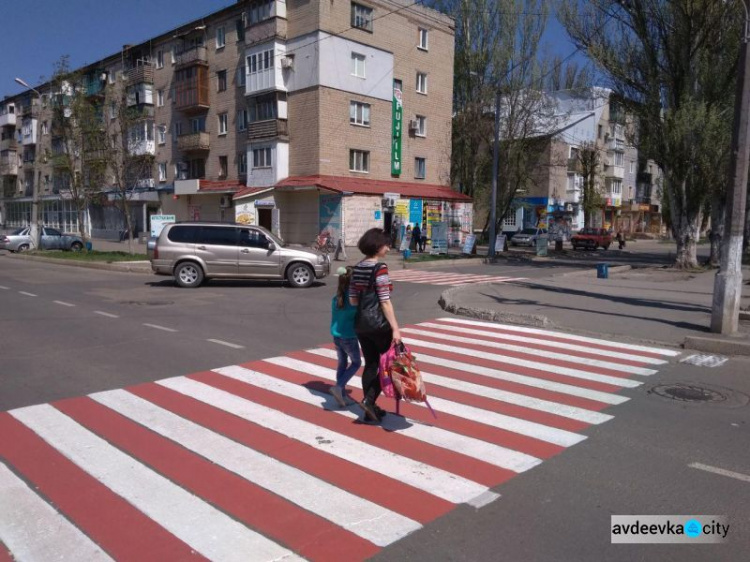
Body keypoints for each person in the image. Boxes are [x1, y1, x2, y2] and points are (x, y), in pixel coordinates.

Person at [349, 228, 401, 423]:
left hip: (361, 324)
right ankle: (368, 401)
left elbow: (353, 300)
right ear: (377, 246)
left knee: (371, 364)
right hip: (379, 325)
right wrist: (395, 328)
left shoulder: (357, 267)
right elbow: (385, 301)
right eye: (386, 244)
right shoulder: (379, 268)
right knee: (387, 364)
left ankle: (369, 409)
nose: (388, 248)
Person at [330, 266, 361, 408]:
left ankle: (341, 395)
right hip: (349, 336)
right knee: (356, 363)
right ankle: (339, 386)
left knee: (342, 363)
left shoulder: (337, 297)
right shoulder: (353, 299)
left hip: (336, 335)